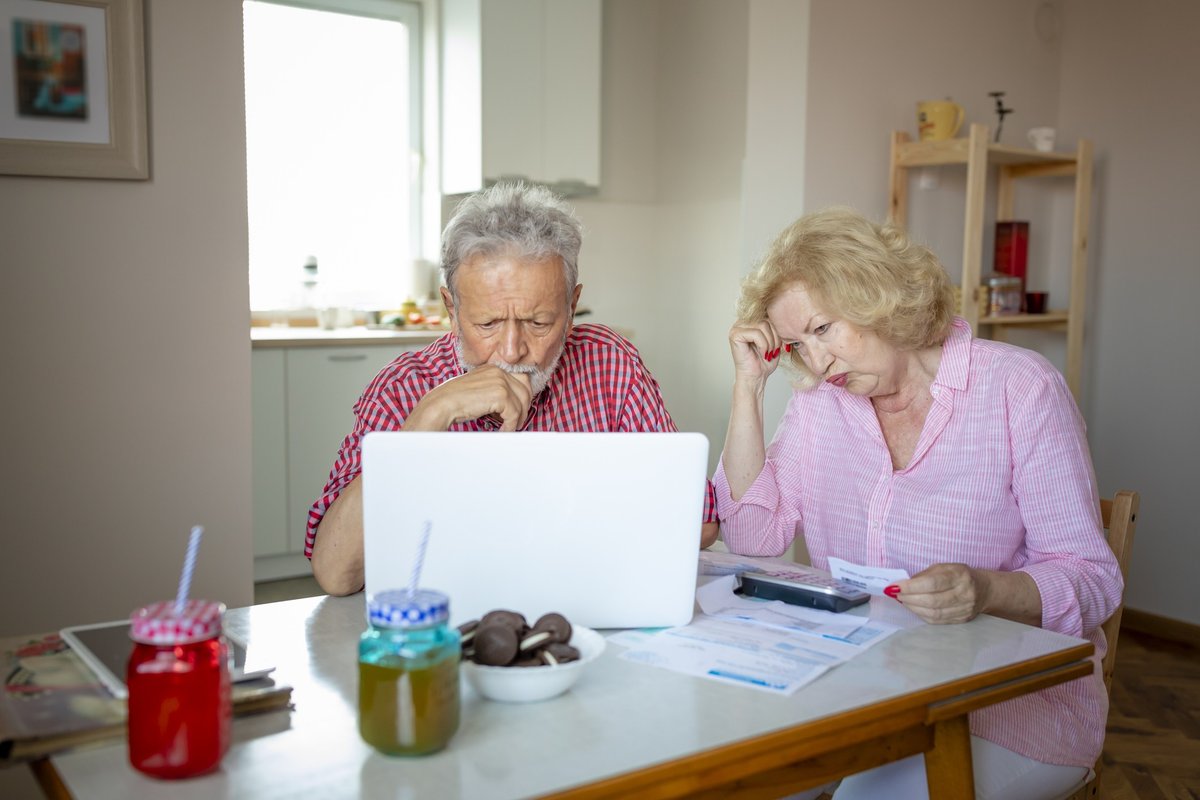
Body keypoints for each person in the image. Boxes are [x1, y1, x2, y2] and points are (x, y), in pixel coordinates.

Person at [715, 207, 1121, 799]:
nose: (817, 362)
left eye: (823, 330)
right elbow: (752, 539)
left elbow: (1093, 579)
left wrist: (986, 590)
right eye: (798, 345)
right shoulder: (821, 404)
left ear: (877, 296)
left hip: (1005, 709)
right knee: (743, 785)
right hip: (856, 688)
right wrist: (748, 388)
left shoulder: (1018, 388)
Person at [308, 182, 719, 595]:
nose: (512, 351)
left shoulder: (610, 362)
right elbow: (335, 573)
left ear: (572, 306)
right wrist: (430, 415)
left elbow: (699, 523)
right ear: (452, 309)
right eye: (487, 324)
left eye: (539, 323)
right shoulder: (402, 388)